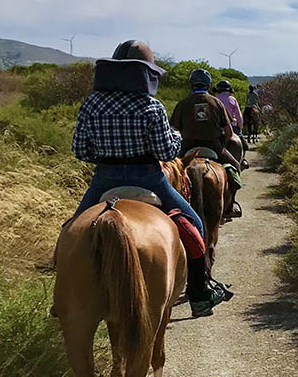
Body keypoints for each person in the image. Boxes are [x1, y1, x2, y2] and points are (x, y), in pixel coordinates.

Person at [70, 40, 229, 317]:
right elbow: (167, 151)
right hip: (149, 179)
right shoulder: (151, 106)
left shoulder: (92, 103)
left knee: (71, 232)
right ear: (144, 73)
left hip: (104, 180)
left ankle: (66, 298)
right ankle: (200, 294)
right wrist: (175, 138)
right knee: (194, 226)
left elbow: (80, 150)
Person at [170, 70, 244, 218]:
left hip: (187, 149)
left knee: (171, 171)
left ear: (191, 84)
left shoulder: (183, 103)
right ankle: (230, 205)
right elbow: (229, 132)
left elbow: (174, 129)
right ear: (208, 85)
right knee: (235, 166)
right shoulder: (216, 102)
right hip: (214, 147)